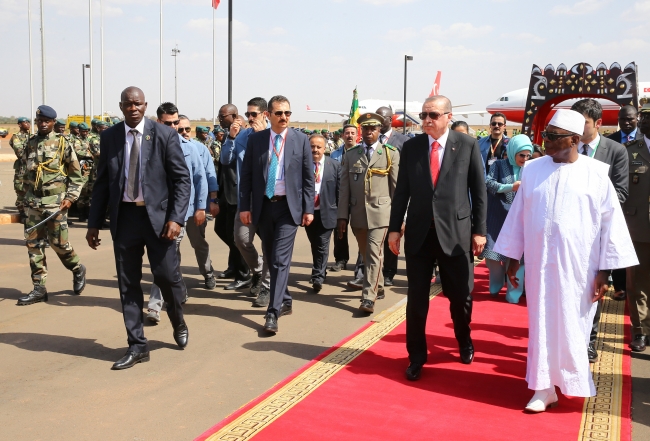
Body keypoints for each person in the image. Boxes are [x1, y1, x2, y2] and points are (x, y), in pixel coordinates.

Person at [494, 109, 638, 412]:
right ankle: (543, 388)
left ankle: (571, 381)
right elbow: (519, 215)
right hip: (539, 264)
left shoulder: (596, 173)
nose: (544, 142)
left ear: (574, 140)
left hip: (579, 268)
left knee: (573, 324)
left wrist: (605, 272)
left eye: (552, 137)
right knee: (541, 323)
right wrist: (512, 258)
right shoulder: (532, 169)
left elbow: (611, 225)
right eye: (545, 135)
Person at [87, 87, 191, 370]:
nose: (133, 108)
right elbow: (102, 183)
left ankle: (177, 320)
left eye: (138, 104)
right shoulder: (109, 137)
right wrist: (94, 223)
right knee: (128, 284)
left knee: (167, 276)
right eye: (128, 104)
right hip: (126, 220)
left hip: (159, 220)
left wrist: (176, 218)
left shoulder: (165, 135)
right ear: (121, 106)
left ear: (145, 106)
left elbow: (182, 181)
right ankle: (137, 345)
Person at [387, 95, 487, 381]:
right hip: (419, 235)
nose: (427, 120)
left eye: (433, 115)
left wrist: (479, 231)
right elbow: (402, 191)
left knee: (460, 298)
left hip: (455, 235)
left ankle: (464, 339)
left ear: (448, 117)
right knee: (417, 301)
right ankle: (416, 356)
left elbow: (479, 192)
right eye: (424, 115)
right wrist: (395, 228)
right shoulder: (412, 147)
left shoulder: (465, 145)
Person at [239, 95, 314, 334]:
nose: (284, 118)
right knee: (271, 258)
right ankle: (287, 298)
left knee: (281, 260)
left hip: (288, 208)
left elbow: (307, 177)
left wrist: (308, 208)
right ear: (268, 115)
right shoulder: (257, 141)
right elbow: (247, 176)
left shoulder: (300, 140)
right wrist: (245, 207)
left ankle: (273, 311)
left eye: (288, 113)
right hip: (263, 207)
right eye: (279, 113)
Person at [570, 98, 630, 362]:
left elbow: (621, 193)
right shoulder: (567, 147)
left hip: (598, 231)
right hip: (568, 230)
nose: (577, 128)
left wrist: (585, 203)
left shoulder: (615, 151)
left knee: (594, 287)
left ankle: (589, 341)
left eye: (582, 122)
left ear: (598, 123)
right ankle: (567, 339)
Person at [17, 105, 87, 306]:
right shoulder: (30, 144)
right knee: (34, 246)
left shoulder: (63, 144)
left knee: (59, 244)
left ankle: (77, 268)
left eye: (46, 121)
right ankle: (39, 288)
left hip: (55, 204)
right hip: (33, 203)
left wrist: (71, 198)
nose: (42, 124)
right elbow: (25, 175)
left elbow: (76, 177)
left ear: (53, 122)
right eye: (39, 121)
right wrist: (23, 201)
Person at [147, 103, 208, 323]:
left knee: (167, 257)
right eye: (168, 123)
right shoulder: (148, 146)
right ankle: (175, 294)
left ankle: (155, 304)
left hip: (181, 213)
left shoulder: (190, 148)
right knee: (169, 258)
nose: (173, 127)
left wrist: (201, 207)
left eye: (176, 123)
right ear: (158, 122)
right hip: (156, 213)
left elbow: (200, 178)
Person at [338, 112, 400, 313]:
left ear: (379, 130)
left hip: (381, 214)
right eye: (365, 128)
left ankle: (368, 298)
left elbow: (396, 189)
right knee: (367, 254)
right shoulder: (351, 155)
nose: (369, 132)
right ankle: (378, 285)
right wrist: (342, 216)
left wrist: (400, 219)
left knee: (374, 253)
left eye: (373, 128)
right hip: (357, 215)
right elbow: (344, 189)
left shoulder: (390, 153)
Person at [221, 97, 272, 307]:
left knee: (269, 244)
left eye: (254, 115)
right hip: (247, 200)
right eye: (248, 114)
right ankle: (258, 271)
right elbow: (226, 160)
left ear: (265, 115)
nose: (249, 119)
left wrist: (262, 138)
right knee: (241, 239)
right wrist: (231, 139)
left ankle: (267, 287)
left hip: (270, 199)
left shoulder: (274, 135)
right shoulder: (242, 136)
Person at [481, 134, 532, 303]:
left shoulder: (533, 168)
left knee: (519, 258)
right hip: (498, 217)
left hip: (522, 220)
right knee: (494, 258)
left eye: (528, 155)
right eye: (521, 155)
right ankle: (496, 283)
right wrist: (511, 187)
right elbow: (489, 184)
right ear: (512, 153)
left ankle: (514, 294)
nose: (525, 159)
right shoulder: (499, 165)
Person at [177, 115, 220, 291]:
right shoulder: (169, 148)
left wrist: (213, 200)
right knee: (173, 247)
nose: (185, 133)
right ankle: (176, 282)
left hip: (196, 207)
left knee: (198, 242)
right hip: (177, 209)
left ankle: (208, 272)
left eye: (188, 129)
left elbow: (209, 176)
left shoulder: (199, 149)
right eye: (181, 130)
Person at [622, 103, 650, 352]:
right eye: (645, 117)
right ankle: (640, 330)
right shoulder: (629, 151)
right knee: (636, 282)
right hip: (637, 226)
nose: (647, 122)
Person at [216, 104, 251, 289]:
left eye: (223, 116)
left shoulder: (244, 135)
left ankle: (244, 273)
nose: (220, 119)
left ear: (234, 116)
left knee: (234, 235)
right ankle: (234, 266)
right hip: (224, 191)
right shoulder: (228, 135)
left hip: (237, 193)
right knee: (222, 230)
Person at [376, 106, 409, 287]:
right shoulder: (371, 138)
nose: (380, 122)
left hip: (395, 195)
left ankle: (389, 272)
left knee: (392, 233)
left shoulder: (403, 141)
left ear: (391, 119)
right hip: (376, 195)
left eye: (383, 118)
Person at [306, 133, 341, 292]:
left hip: (328, 212)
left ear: (324, 148)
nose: (315, 150)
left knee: (322, 244)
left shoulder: (334, 165)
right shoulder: (303, 165)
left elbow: (340, 192)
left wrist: (342, 216)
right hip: (309, 212)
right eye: (312, 146)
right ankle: (320, 270)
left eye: (318, 147)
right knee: (314, 244)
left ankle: (318, 276)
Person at [329, 124, 358, 273]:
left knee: (361, 229)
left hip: (358, 197)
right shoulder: (334, 155)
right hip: (340, 197)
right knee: (340, 229)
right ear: (342, 135)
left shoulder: (362, 153)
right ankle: (341, 259)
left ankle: (362, 262)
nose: (350, 136)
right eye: (347, 133)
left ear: (357, 135)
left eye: (353, 133)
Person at [9, 117, 31, 223]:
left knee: (31, 192)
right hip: (22, 170)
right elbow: (20, 153)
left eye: (28, 122)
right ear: (19, 125)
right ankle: (23, 214)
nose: (27, 124)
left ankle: (29, 213)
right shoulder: (16, 137)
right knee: (21, 192)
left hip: (32, 169)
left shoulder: (32, 137)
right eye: (25, 122)